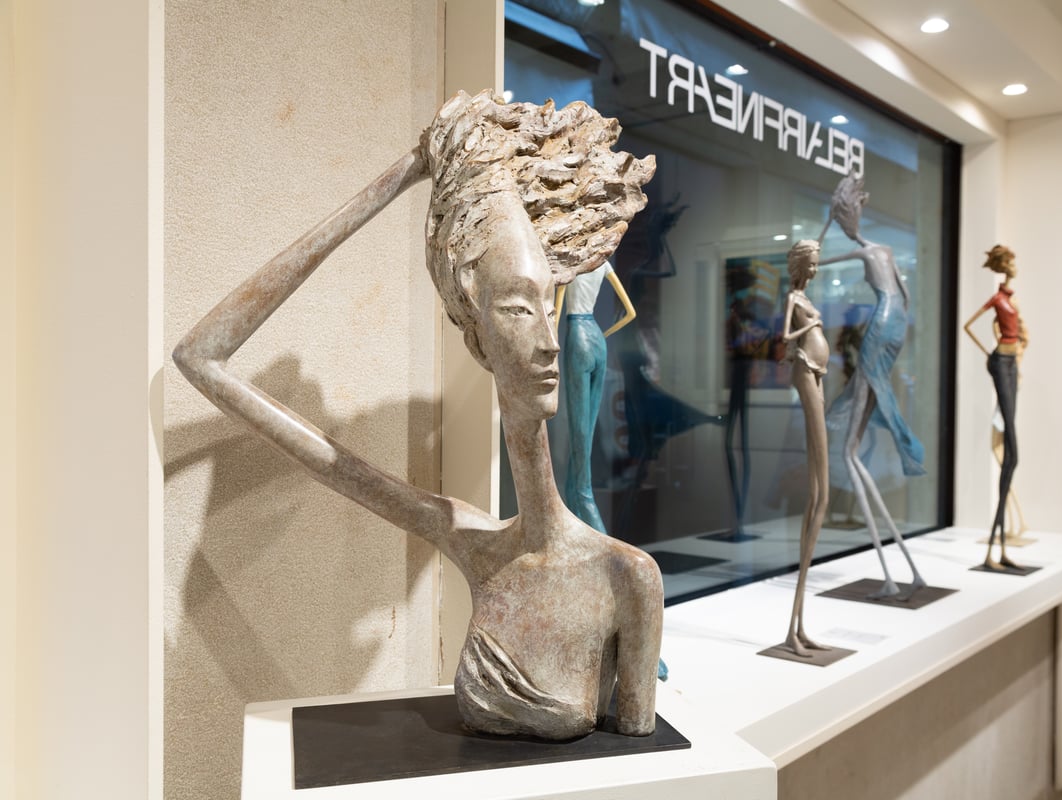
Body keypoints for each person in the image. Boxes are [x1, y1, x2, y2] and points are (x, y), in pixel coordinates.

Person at [173, 91, 662, 740]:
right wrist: (401, 176)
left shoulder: (627, 576)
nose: (549, 340)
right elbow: (202, 357)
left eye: (550, 304)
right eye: (519, 309)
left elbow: (647, 760)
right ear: (477, 335)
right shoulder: (472, 541)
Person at [820, 175, 927, 599]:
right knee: (853, 446)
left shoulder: (863, 250)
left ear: (847, 219)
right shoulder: (885, 249)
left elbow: (819, 260)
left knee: (849, 451)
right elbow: (905, 296)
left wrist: (821, 237)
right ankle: (905, 572)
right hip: (895, 323)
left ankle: (890, 576)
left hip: (881, 323)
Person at [555, 262, 635, 534]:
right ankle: (573, 528)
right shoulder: (604, 263)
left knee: (580, 437)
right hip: (597, 339)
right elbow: (630, 313)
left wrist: (551, 343)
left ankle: (601, 539)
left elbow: (556, 313)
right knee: (585, 439)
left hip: (577, 337)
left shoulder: (573, 262)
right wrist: (604, 335)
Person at [779, 240, 832, 656]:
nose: (814, 270)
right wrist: (807, 329)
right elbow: (784, 337)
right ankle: (793, 629)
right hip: (804, 368)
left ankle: (798, 626)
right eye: (810, 264)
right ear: (799, 264)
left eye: (816, 265)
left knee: (820, 492)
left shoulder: (806, 298)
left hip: (819, 373)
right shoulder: (794, 299)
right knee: (820, 493)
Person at [963, 244, 1029, 571]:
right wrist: (988, 354)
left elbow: (1020, 333)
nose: (1014, 267)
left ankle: (999, 548)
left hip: (1012, 363)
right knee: (1011, 452)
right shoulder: (997, 300)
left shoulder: (1011, 299)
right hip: (1001, 363)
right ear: (1003, 265)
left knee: (1013, 455)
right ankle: (992, 548)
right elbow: (968, 326)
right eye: (1011, 263)